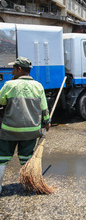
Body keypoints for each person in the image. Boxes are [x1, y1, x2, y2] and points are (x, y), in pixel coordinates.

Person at [0, 57, 51, 193]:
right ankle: (28, 186)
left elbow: (1, 102)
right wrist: (47, 123)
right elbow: (44, 109)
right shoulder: (38, 86)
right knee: (26, 159)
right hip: (31, 131)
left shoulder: (9, 85)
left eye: (14, 69)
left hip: (9, 130)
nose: (12, 71)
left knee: (2, 159)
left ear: (20, 69)